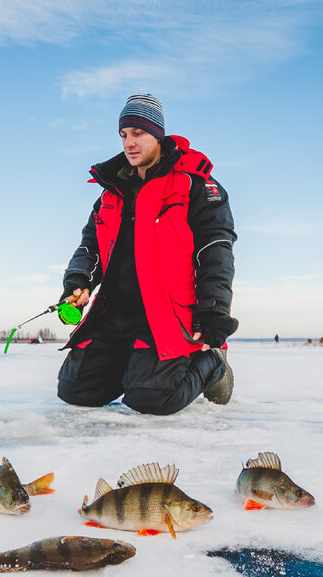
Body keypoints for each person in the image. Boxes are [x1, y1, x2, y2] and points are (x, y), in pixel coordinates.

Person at [57, 93, 238, 415]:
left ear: (158, 134)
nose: (129, 142)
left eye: (138, 133)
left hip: (165, 313)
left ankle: (212, 362)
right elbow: (91, 246)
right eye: (124, 134)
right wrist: (78, 281)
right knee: (76, 390)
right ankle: (135, 368)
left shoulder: (195, 184)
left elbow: (215, 251)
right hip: (114, 313)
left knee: (154, 400)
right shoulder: (111, 192)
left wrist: (213, 311)